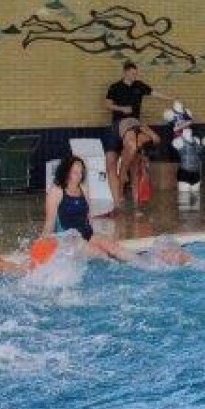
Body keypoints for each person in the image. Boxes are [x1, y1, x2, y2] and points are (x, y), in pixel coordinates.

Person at [42, 156, 136, 263]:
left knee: (114, 248)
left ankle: (143, 263)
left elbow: (88, 216)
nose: (79, 176)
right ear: (66, 172)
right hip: (69, 239)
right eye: (75, 173)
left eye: (81, 172)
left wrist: (96, 237)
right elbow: (49, 223)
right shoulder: (56, 191)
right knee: (100, 254)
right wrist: (43, 242)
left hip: (87, 234)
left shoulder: (83, 189)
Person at [104, 62, 168, 202]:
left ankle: (132, 196)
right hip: (119, 125)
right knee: (112, 164)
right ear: (125, 72)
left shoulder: (139, 85)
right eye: (132, 73)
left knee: (134, 163)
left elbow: (153, 93)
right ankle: (119, 195)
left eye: (136, 73)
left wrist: (169, 98)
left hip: (134, 125)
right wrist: (121, 108)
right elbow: (107, 104)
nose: (135, 76)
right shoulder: (115, 87)